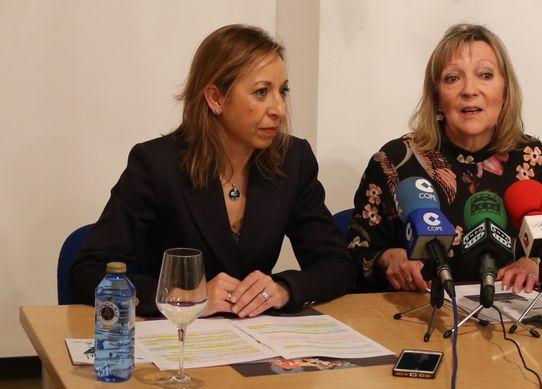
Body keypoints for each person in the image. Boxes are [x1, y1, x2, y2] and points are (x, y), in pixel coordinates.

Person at [71, 24, 354, 317]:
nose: (279, 109)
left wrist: (284, 289)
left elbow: (336, 265)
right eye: (261, 92)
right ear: (216, 99)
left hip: (254, 343)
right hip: (172, 338)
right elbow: (86, 275)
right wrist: (183, 296)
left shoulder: (294, 159)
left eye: (283, 91)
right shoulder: (155, 164)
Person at [347, 23, 542, 292]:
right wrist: (388, 259)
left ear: (505, 90)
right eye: (453, 78)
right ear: (437, 96)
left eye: (485, 75)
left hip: (511, 320)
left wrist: (534, 263)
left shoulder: (532, 159)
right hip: (418, 320)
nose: (470, 90)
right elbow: (352, 256)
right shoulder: (395, 161)